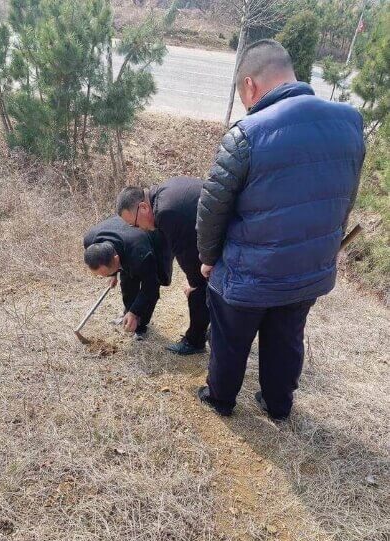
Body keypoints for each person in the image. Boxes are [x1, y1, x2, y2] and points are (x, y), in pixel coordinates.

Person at [196, 39, 365, 420]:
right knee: (286, 336)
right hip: (309, 269)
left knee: (230, 337)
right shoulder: (350, 122)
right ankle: (278, 404)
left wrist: (208, 258)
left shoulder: (247, 133)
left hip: (248, 273)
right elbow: (346, 197)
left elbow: (212, 208)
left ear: (251, 85)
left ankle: (220, 398)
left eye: (244, 96)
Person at [116, 176, 209, 355]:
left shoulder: (166, 213)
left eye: (135, 224)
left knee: (198, 290)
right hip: (224, 230)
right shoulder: (163, 192)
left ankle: (195, 342)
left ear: (143, 207)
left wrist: (194, 284)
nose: (139, 229)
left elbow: (187, 256)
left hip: (233, 237)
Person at [83, 216, 166, 340]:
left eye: (105, 273)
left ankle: (140, 325)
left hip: (154, 241)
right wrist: (112, 274)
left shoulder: (141, 254)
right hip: (126, 244)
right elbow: (109, 262)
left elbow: (151, 287)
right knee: (127, 284)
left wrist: (135, 312)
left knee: (149, 286)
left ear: (116, 259)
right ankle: (128, 313)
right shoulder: (90, 240)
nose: (103, 277)